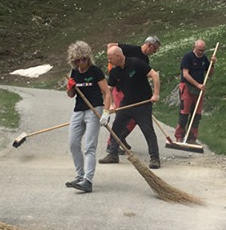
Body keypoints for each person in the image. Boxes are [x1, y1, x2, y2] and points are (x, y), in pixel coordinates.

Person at [99, 45, 162, 169]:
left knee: (147, 131)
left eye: (110, 58)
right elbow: (109, 90)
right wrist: (111, 104)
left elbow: (155, 75)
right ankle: (113, 154)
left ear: (118, 55)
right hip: (127, 103)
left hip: (142, 103)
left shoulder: (137, 63)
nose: (109, 61)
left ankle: (155, 158)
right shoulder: (114, 71)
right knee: (116, 128)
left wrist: (156, 94)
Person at [64, 41, 111, 194]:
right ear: (74, 61)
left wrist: (106, 112)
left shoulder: (95, 71)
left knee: (89, 147)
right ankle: (80, 176)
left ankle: (88, 181)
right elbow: (71, 95)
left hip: (94, 110)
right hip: (78, 111)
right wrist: (70, 87)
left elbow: (107, 92)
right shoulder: (74, 72)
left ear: (88, 57)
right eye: (78, 60)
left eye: (83, 59)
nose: (81, 62)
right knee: (73, 144)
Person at [175, 39, 215, 143]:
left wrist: (212, 64)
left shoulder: (204, 58)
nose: (200, 52)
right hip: (187, 87)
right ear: (194, 48)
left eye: (202, 50)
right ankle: (179, 136)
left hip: (199, 89)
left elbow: (210, 74)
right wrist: (197, 84)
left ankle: (192, 138)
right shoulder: (188, 57)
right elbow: (185, 74)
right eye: (199, 50)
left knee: (196, 115)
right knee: (184, 113)